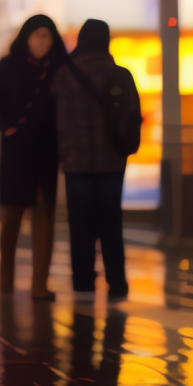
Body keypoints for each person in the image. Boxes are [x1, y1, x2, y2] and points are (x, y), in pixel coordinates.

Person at [53, 19, 142, 300]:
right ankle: (117, 282)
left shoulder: (65, 74)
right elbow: (133, 115)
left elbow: (54, 118)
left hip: (76, 161)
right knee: (110, 221)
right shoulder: (121, 75)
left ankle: (82, 281)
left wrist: (62, 152)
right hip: (112, 160)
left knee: (80, 224)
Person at [0, 14, 62, 300]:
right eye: (37, 35)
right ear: (26, 38)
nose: (43, 42)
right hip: (16, 151)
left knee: (44, 215)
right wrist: (9, 129)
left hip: (46, 152)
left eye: (47, 36)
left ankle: (39, 285)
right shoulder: (9, 66)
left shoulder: (59, 69)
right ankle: (6, 282)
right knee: (12, 216)